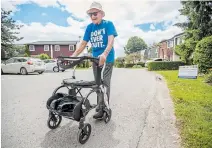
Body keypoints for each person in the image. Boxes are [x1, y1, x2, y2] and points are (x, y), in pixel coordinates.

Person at [71, 1, 118, 119]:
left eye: (95, 13)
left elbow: (111, 41)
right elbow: (82, 45)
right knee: (97, 84)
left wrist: (105, 54)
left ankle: (104, 107)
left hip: (107, 58)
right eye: (90, 14)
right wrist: (72, 57)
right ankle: (100, 104)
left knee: (105, 84)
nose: (93, 16)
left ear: (101, 14)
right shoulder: (89, 27)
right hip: (95, 59)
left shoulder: (108, 24)